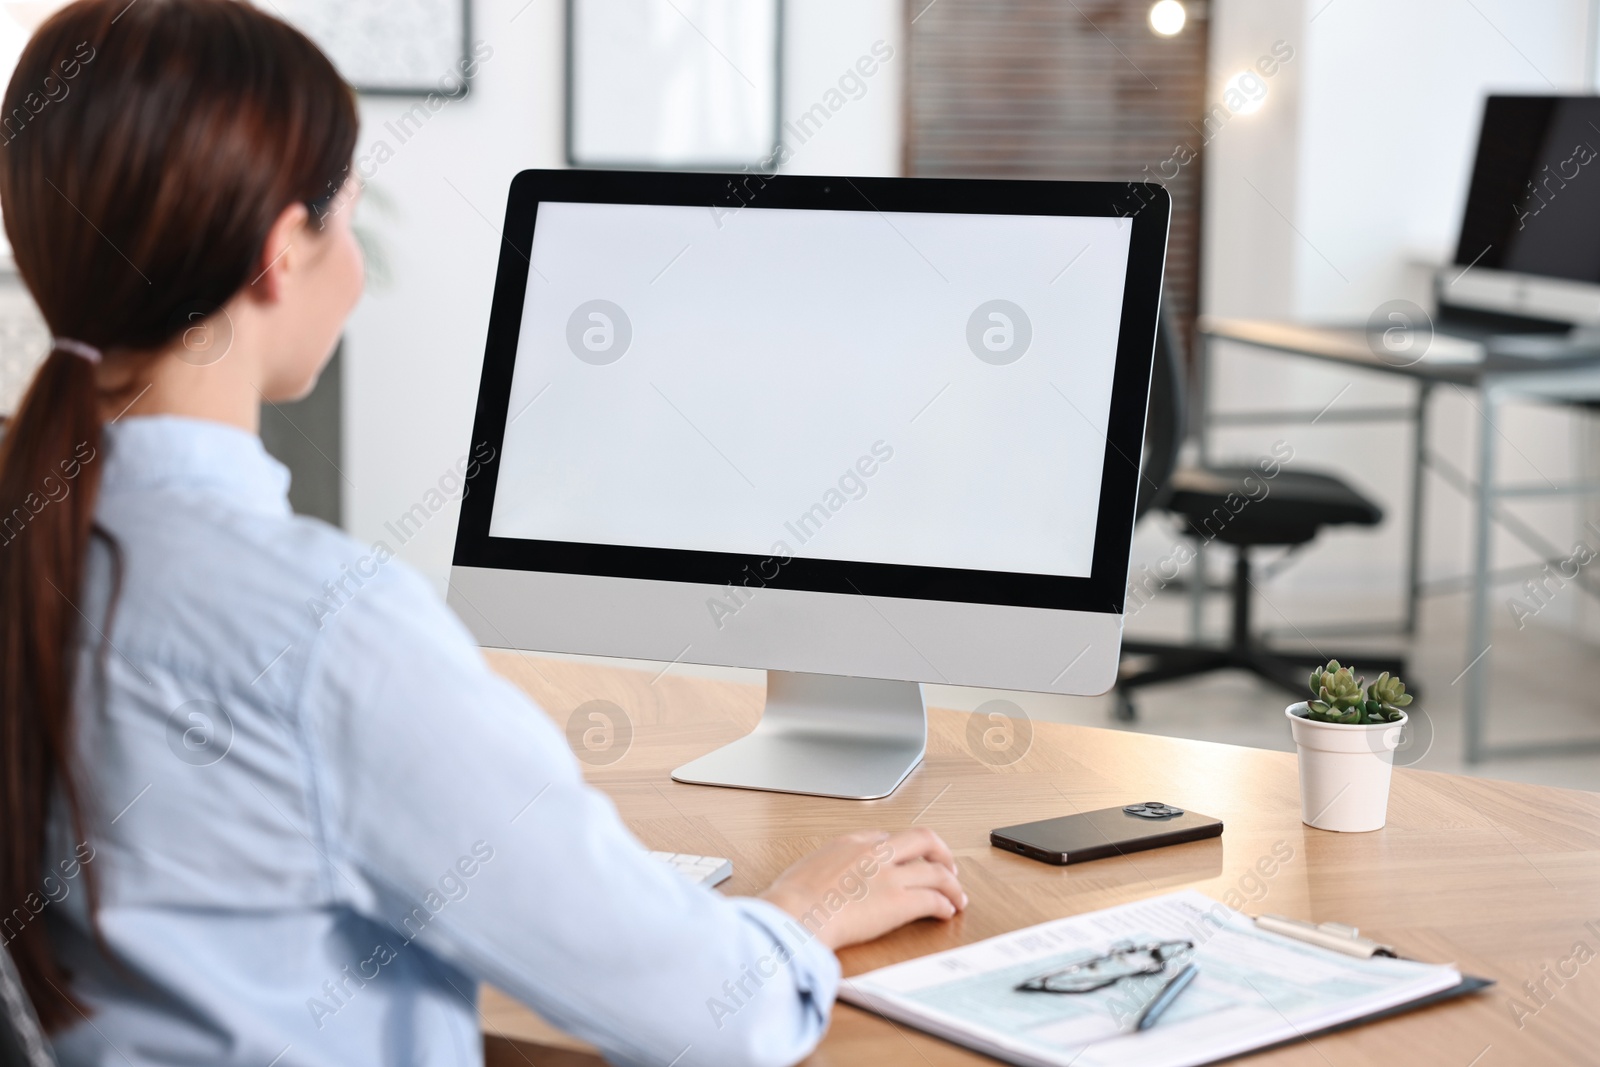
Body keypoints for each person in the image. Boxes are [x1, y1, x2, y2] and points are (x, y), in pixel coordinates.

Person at [0, 3, 967, 1065]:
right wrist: (804, 910)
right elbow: (714, 1009)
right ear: (284, 254)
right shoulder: (321, 626)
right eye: (346, 218)